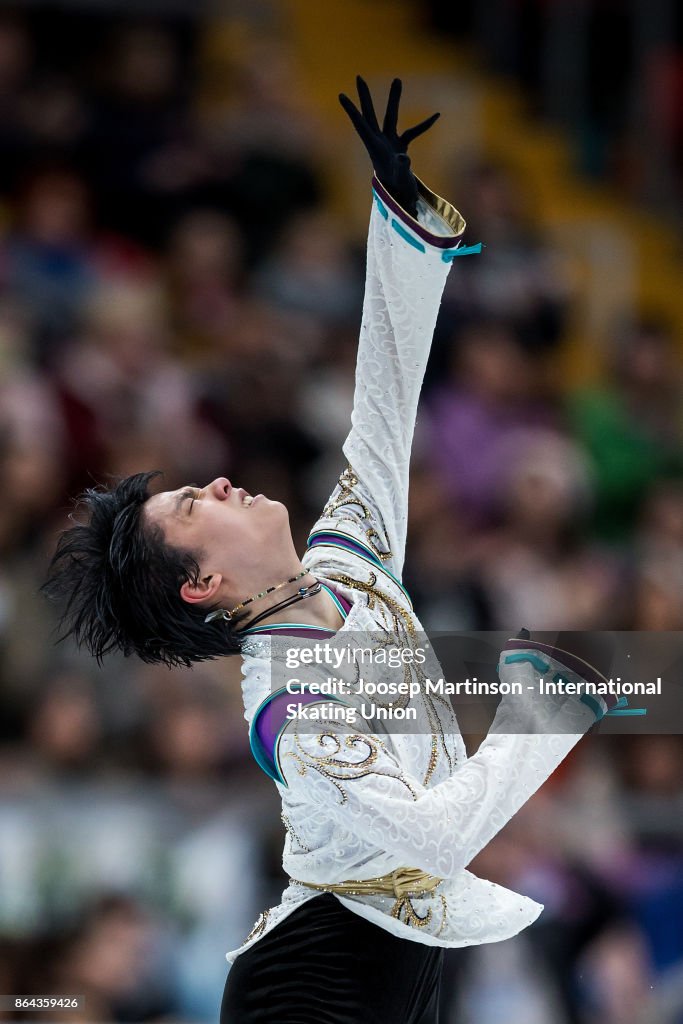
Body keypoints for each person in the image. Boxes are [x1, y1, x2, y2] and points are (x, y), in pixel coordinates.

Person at [44, 78, 615, 1024]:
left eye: (198, 481)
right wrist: (545, 708)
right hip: (315, 991)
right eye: (194, 504)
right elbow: (433, 837)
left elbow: (382, 414)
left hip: (402, 979)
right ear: (206, 584)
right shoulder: (294, 714)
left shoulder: (348, 562)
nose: (218, 482)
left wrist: (402, 226)